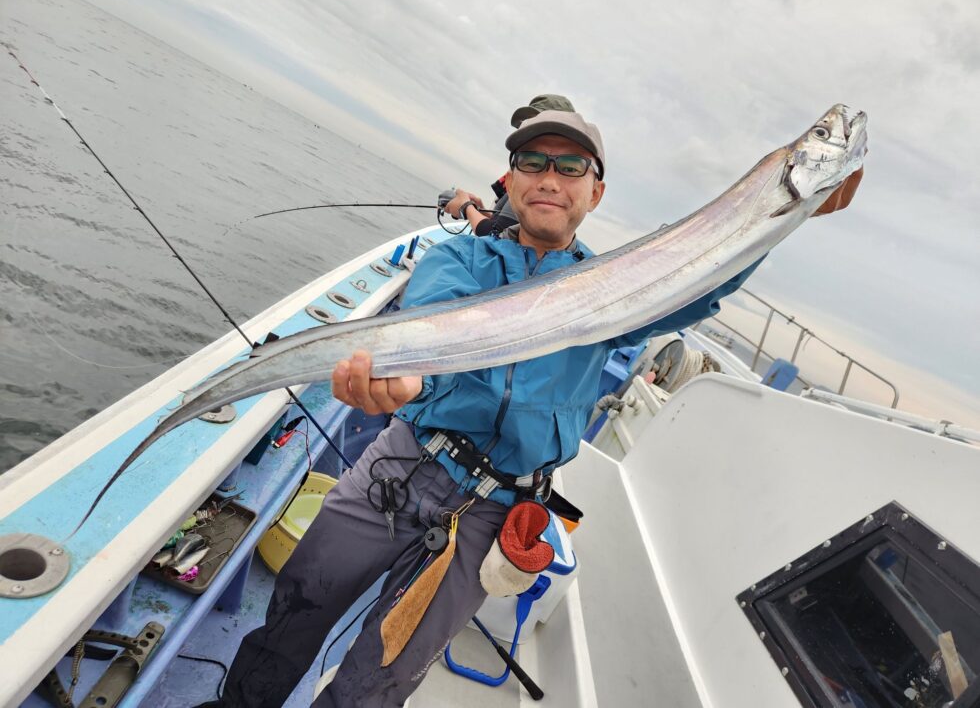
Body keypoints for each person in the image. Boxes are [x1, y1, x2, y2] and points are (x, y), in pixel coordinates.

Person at [209, 107, 862, 708]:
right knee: (297, 605)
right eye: (533, 162)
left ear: (594, 192)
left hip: (491, 514)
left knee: (379, 679)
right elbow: (431, 337)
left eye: (571, 165)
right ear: (511, 180)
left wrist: (784, 217)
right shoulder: (459, 256)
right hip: (401, 465)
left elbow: (703, 277)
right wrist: (408, 387)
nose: (551, 177)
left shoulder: (618, 292)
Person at [444, 93, 576, 237]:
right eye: (526, 124)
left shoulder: (533, 181)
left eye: (540, 125)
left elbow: (497, 234)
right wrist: (480, 211)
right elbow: (510, 231)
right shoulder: (522, 174)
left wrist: (466, 207)